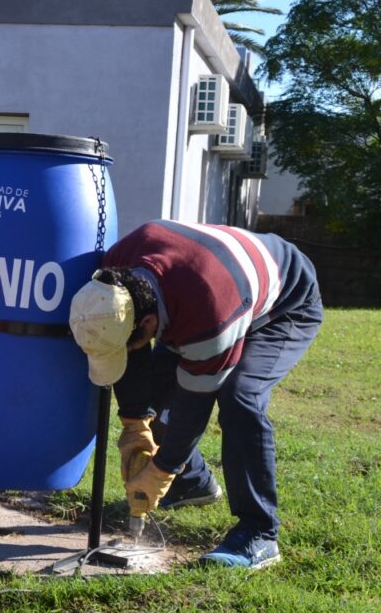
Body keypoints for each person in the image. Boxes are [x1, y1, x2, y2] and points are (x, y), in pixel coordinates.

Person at [68, 219, 322, 568]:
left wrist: (162, 469)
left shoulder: (208, 319)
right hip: (195, 294)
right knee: (156, 392)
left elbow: (192, 407)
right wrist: (134, 422)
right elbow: (135, 355)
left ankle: (260, 532)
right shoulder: (115, 272)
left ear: (148, 324)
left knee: (240, 397)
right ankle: (192, 484)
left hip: (284, 305)